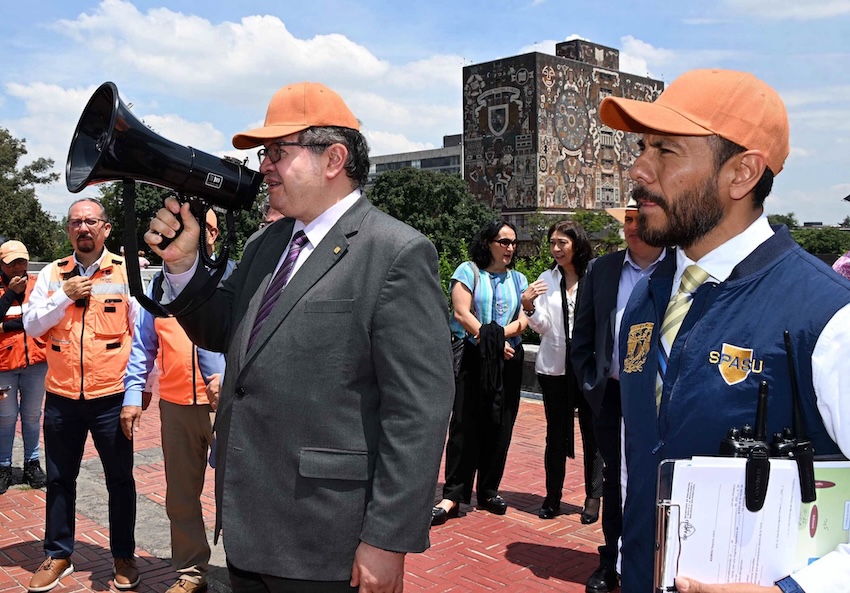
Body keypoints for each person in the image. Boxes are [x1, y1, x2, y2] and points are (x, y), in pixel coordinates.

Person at [144, 81, 454, 593]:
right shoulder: (267, 242)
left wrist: (387, 539)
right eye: (264, 154)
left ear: (333, 159)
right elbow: (224, 329)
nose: (264, 167)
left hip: (328, 541)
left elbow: (418, 411)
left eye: (277, 152)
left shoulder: (396, 252)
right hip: (250, 531)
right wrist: (182, 267)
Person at [598, 68, 850, 592]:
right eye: (642, 147)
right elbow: (638, 453)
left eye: (666, 150)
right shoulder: (647, 298)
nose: (638, 169)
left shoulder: (827, 318)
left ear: (742, 173)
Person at [22, 198, 140, 593]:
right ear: (68, 230)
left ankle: (123, 555)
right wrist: (64, 296)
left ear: (106, 228)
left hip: (111, 397)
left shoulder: (126, 272)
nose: (83, 228)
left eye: (91, 221)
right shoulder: (53, 274)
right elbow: (32, 325)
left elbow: (141, 336)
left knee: (119, 479)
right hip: (61, 397)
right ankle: (58, 554)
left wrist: (136, 393)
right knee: (59, 478)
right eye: (76, 222)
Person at [121, 209, 233, 593]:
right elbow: (143, 344)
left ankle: (248, 570)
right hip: (176, 404)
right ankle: (190, 572)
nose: (200, 234)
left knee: (240, 494)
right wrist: (133, 394)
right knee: (181, 497)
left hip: (228, 404)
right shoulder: (160, 284)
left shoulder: (236, 276)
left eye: (207, 227)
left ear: (214, 233)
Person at [570, 198, 669, 593]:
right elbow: (582, 335)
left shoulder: (680, 268)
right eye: (626, 219)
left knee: (659, 478)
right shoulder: (602, 269)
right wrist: (591, 385)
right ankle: (611, 559)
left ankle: (656, 561)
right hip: (611, 394)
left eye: (639, 219)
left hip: (660, 397)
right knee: (614, 479)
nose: (631, 227)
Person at [431, 220, 529, 526]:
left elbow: (524, 320)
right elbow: (462, 313)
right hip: (474, 356)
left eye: (514, 242)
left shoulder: (519, 279)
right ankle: (453, 495)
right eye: (504, 241)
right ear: (488, 243)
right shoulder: (468, 271)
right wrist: (493, 343)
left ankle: (488, 490)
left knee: (501, 425)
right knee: (464, 424)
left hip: (508, 358)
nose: (510, 248)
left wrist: (498, 342)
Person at [520, 221, 604, 524]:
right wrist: (529, 307)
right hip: (555, 368)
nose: (556, 249)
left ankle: (593, 497)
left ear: (576, 244)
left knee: (593, 434)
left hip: (588, 368)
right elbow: (543, 326)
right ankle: (552, 496)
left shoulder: (595, 277)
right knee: (555, 435)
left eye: (562, 243)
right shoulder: (546, 279)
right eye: (552, 243)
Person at [0, 240, 48, 494]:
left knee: (31, 416)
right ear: (1, 264)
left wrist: (6, 326)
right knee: (5, 417)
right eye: (12, 263)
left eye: (22, 261)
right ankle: (3, 466)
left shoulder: (38, 285)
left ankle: (32, 462)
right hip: (4, 365)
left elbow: (45, 317)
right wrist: (9, 294)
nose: (18, 268)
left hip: (36, 363)